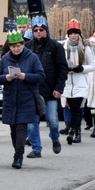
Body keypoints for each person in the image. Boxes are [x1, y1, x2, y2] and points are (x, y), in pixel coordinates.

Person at [0, 30, 45, 169]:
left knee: (21, 127)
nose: (16, 49)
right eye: (13, 46)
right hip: (10, 98)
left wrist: (25, 76)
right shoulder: (5, 59)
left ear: (23, 45)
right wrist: (6, 78)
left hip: (26, 97)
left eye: (18, 46)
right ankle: (17, 151)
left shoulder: (32, 57)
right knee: (13, 128)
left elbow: (41, 76)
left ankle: (18, 156)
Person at [25, 16, 68, 157]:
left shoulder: (56, 47)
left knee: (53, 120)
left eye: (41, 30)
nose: (38, 32)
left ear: (46, 31)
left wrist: (59, 88)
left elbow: (62, 69)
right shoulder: (28, 47)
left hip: (50, 90)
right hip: (33, 91)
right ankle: (36, 148)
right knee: (32, 123)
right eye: (35, 30)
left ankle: (55, 138)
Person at [60, 19, 95, 145]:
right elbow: (59, 64)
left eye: (75, 33)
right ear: (68, 35)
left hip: (81, 82)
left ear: (79, 35)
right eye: (71, 33)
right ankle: (76, 132)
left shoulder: (85, 48)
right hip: (68, 83)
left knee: (76, 108)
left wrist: (82, 69)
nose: (73, 35)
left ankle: (71, 131)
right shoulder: (63, 48)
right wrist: (66, 69)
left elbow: (93, 65)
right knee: (71, 109)